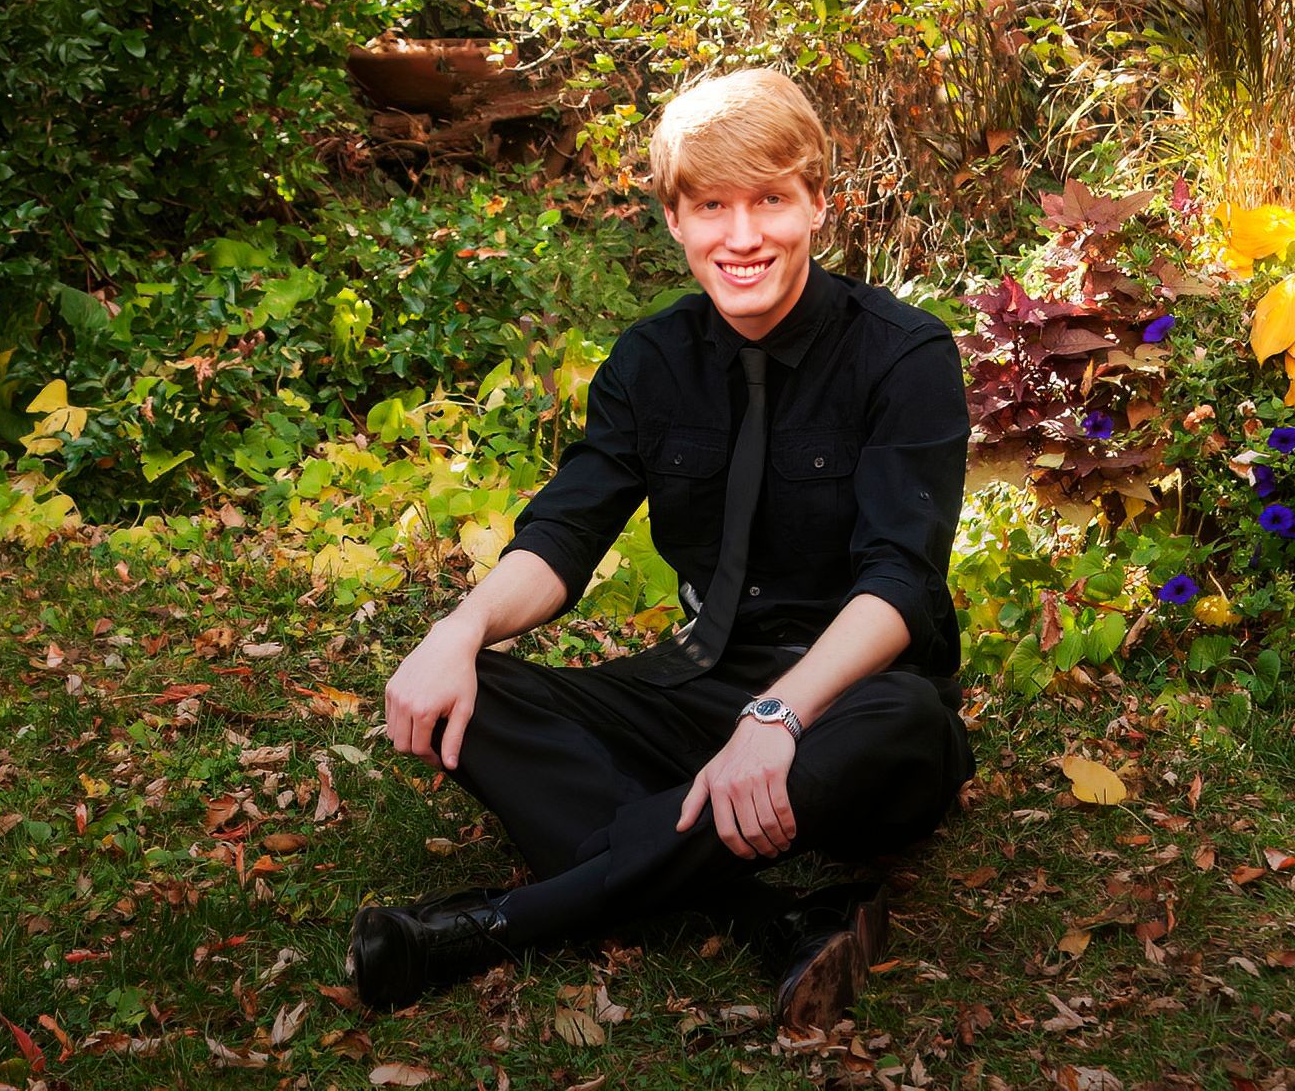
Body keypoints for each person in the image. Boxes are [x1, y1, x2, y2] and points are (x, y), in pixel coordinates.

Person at [348, 67, 974, 1031]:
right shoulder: (650, 360)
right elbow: (565, 534)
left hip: (849, 700)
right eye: (712, 205)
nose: (742, 236)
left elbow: (901, 579)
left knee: (905, 723)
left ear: (817, 202)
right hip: (695, 686)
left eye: (770, 201)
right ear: (675, 219)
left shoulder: (904, 355)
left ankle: (498, 925)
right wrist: (458, 630)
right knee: (475, 693)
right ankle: (769, 916)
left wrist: (777, 717)